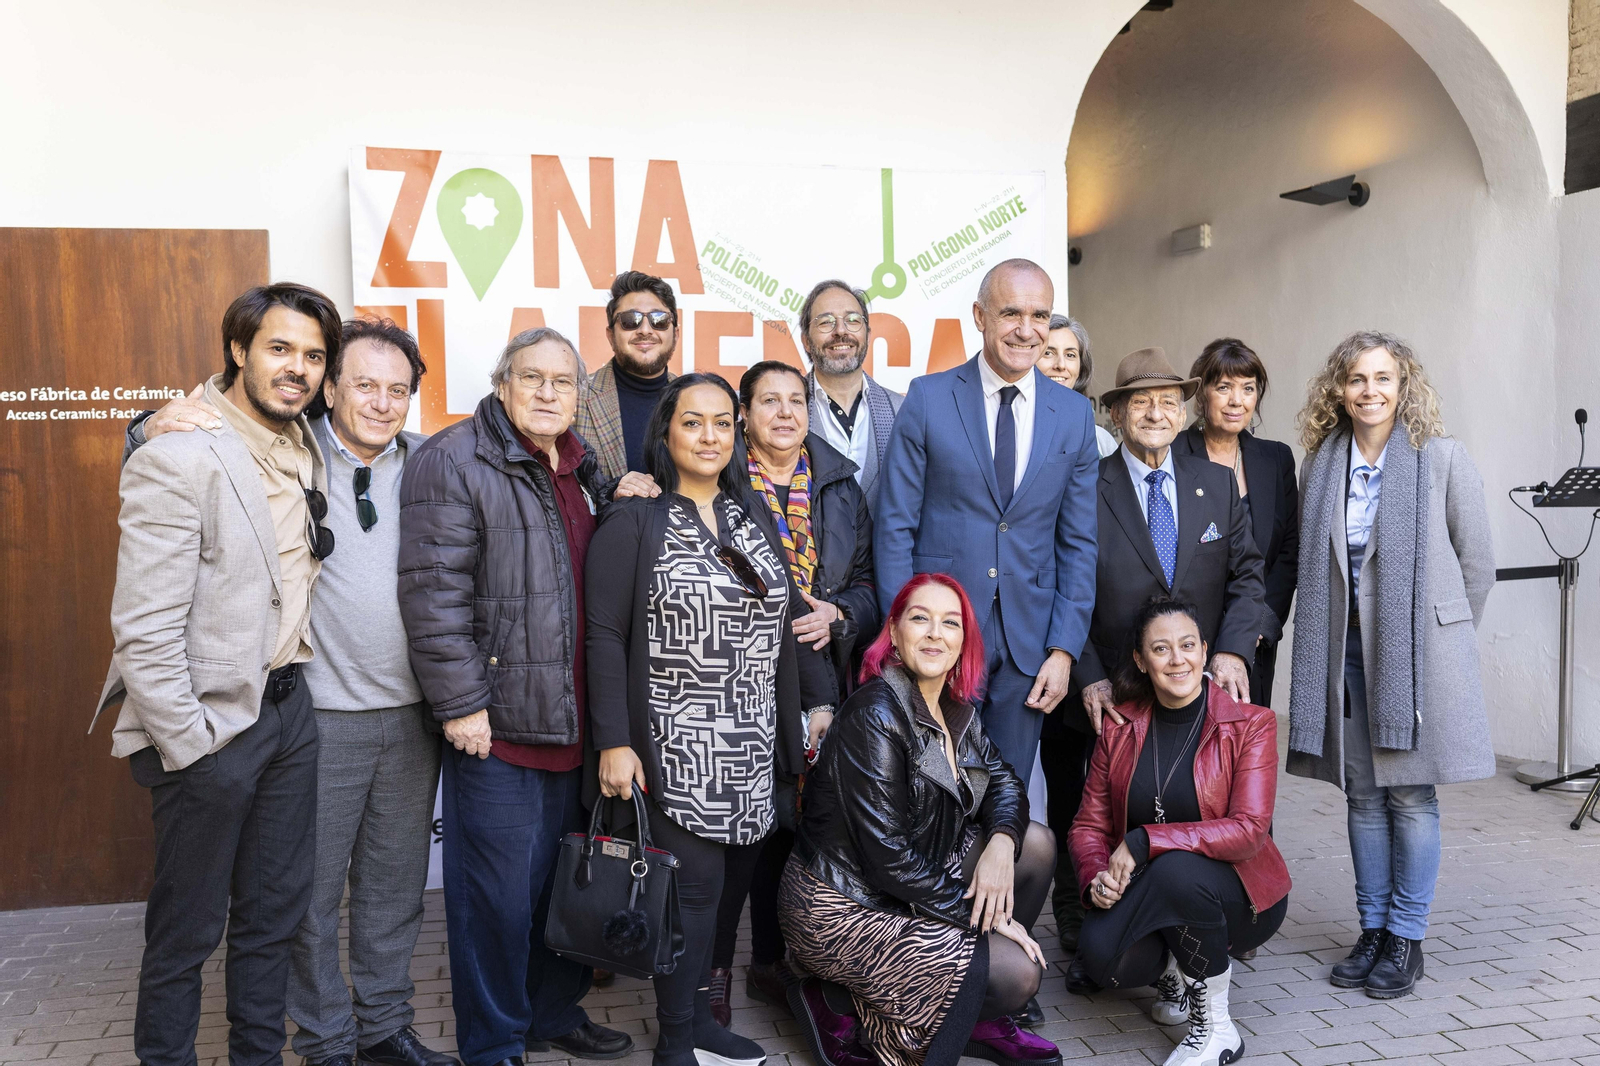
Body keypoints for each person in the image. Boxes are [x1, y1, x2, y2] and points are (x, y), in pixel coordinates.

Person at [126, 318, 455, 1066]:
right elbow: (190, 446)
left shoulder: (432, 466)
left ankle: (383, 1026)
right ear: (330, 387)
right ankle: (326, 1037)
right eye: (363, 384)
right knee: (304, 902)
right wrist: (142, 426)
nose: (379, 402)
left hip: (412, 719)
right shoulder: (285, 451)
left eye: (397, 390)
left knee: (393, 889)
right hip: (319, 717)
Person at [92, 282, 339, 1066]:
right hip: (209, 728)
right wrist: (192, 747)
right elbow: (143, 626)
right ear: (239, 350)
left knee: (272, 918)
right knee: (188, 932)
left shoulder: (307, 443)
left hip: (291, 714)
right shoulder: (178, 452)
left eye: (311, 355)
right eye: (278, 348)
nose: (295, 368)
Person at [586, 373, 838, 1066]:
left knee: (725, 893)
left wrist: (813, 707)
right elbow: (603, 635)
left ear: (738, 434)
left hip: (753, 743)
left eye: (722, 423)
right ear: (666, 431)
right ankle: (675, 1038)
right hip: (672, 741)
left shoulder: (748, 513)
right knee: (690, 893)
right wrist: (614, 740)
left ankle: (698, 1021)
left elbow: (790, 618)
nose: (709, 436)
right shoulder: (635, 520)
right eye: (692, 422)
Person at [398, 328, 633, 1066]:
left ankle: (552, 1012)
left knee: (561, 887)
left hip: (575, 725)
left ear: (578, 396)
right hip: (497, 728)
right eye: (531, 378)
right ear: (502, 383)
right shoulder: (455, 458)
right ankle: (495, 1041)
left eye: (562, 382)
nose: (546, 393)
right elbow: (433, 598)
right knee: (493, 902)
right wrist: (462, 703)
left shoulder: (581, 466)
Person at [780, 573, 1063, 1066]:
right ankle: (831, 1000)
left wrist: (999, 843)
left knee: (1033, 844)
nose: (935, 633)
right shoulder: (876, 713)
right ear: (893, 632)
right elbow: (888, 859)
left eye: (950, 623)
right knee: (1017, 973)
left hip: (907, 875)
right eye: (920, 618)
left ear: (962, 642)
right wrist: (989, 925)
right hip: (841, 904)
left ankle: (979, 1012)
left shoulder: (957, 710)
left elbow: (1006, 784)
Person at [1287, 331, 1495, 999]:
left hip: (1414, 656)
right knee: (1363, 794)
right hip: (1340, 649)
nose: (1370, 390)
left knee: (1409, 793)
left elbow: (1477, 563)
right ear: (1338, 391)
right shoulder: (1319, 465)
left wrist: (1441, 642)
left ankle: (1407, 937)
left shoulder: (1441, 459)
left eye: (1383, 378)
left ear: (1405, 387)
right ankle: (1372, 929)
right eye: (1356, 379)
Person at [1054, 347, 1266, 975]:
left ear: (1183, 412)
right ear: (1116, 414)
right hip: (1112, 688)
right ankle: (1085, 913)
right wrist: (1088, 672)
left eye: (1168, 401)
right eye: (1140, 401)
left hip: (1191, 685)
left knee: (1194, 800)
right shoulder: (1087, 488)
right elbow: (1066, 586)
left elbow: (1247, 575)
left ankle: (1201, 923)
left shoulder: (1217, 483)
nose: (1155, 412)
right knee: (1090, 804)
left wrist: (1229, 647)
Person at [875, 258, 1099, 782]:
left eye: (1040, 315)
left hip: (1030, 647)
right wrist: (902, 637)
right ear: (979, 315)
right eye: (1011, 313)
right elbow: (894, 529)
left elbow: (1079, 543)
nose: (1027, 330)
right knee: (930, 789)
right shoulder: (928, 399)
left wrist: (1065, 649)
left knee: (1005, 796)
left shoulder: (1072, 415)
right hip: (938, 638)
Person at [706, 361, 879, 1025]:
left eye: (795, 401)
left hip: (823, 673)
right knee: (738, 836)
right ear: (743, 414)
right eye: (768, 401)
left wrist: (839, 614)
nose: (784, 413)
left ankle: (772, 964)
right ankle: (713, 974)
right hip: (742, 681)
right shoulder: (718, 481)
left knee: (794, 826)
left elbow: (868, 585)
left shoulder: (839, 483)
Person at [1070, 597, 1290, 1066]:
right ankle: (1176, 969)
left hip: (1242, 896)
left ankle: (1216, 1029)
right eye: (1162, 649)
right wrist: (1096, 877)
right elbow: (1088, 824)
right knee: (1101, 956)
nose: (1177, 660)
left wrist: (1146, 839)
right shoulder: (1120, 726)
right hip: (1161, 887)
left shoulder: (1250, 724)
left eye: (1188, 645)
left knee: (1175, 872)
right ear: (1140, 659)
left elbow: (1250, 831)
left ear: (1205, 650)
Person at [1033, 313, 1114, 953]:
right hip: (1028, 630)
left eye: (1069, 354)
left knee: (1086, 792)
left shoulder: (1105, 446)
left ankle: (1087, 919)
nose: (1058, 363)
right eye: (1048, 351)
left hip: (1081, 634)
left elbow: (1089, 553)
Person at [1172, 339, 1299, 708]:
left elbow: (1288, 552)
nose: (1236, 400)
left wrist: (1256, 626)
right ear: (1203, 393)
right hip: (1184, 643)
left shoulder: (1276, 459)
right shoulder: (1173, 453)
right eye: (1223, 387)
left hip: (1253, 639)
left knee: (1245, 750)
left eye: (1248, 388)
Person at [799, 280, 905, 510]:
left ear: (866, 333)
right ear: (806, 341)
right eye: (826, 322)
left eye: (853, 320)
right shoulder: (786, 414)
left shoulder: (903, 410)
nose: (840, 331)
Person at [576, 270, 679, 489]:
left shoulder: (694, 400)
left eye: (658, 320)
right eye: (629, 320)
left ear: (675, 334)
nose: (644, 330)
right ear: (611, 335)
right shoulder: (575, 399)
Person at [1037, 313, 1115, 457]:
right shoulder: (1015, 430)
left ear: (1081, 367)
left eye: (1070, 355)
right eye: (1048, 353)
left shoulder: (1101, 441)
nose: (1061, 365)